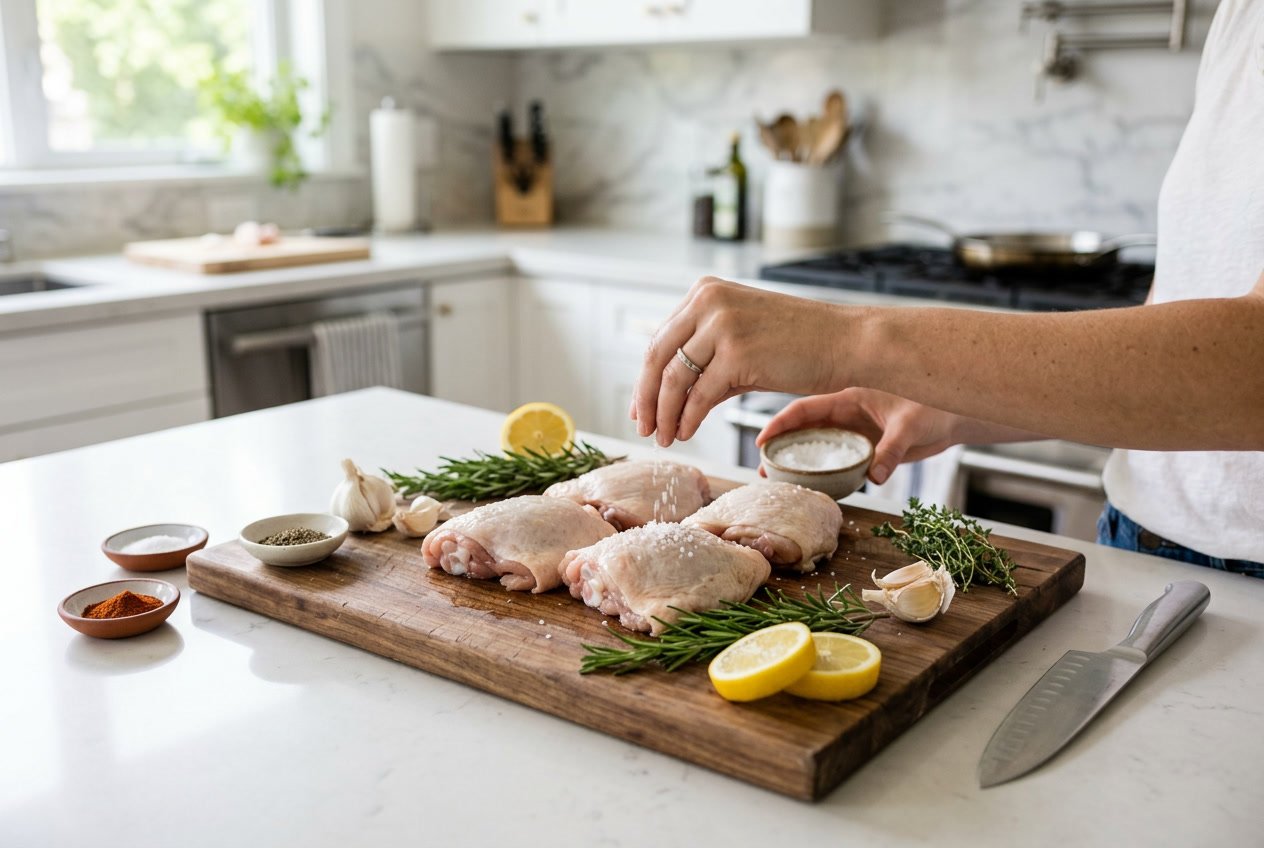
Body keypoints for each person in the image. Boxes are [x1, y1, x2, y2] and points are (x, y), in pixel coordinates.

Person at [631, 0, 1264, 575]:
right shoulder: (1239, 19)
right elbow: (1177, 324)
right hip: (1145, 547)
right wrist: (948, 402)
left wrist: (849, 338)